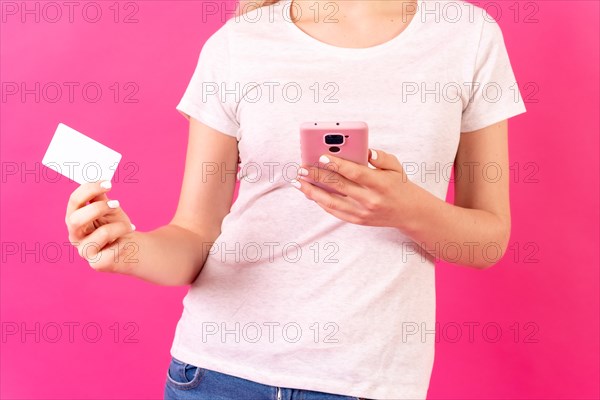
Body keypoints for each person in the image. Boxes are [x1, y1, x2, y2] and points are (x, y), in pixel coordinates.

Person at [64, 0, 527, 399]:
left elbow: (487, 241)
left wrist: (406, 210)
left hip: (368, 383)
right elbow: (194, 235)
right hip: (216, 374)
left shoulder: (468, 36)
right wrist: (129, 251)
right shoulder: (238, 44)